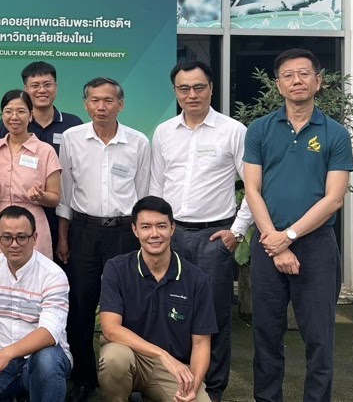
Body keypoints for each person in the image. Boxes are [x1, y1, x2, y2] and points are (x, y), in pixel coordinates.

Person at [243, 49, 353, 402]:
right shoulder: (259, 130)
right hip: (268, 243)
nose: (297, 81)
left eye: (304, 74)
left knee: (319, 337)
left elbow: (334, 198)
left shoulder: (336, 134)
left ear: (318, 81)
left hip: (316, 247)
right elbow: (252, 190)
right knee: (266, 334)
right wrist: (275, 241)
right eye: (288, 75)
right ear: (278, 85)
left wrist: (288, 237)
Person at [150, 60, 251, 401]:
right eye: (184, 88)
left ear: (210, 88)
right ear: (175, 91)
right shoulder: (164, 132)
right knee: (168, 310)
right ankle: (170, 383)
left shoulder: (233, 130)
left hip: (214, 238)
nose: (191, 94)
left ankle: (214, 388)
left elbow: (253, 186)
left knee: (214, 316)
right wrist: (157, 231)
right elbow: (156, 185)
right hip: (172, 236)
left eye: (198, 87)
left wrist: (237, 231)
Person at [57, 77, 151, 402]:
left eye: (108, 100)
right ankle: (83, 377)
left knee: (128, 306)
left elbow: (144, 194)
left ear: (120, 105)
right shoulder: (72, 139)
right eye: (95, 100)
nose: (101, 107)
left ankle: (127, 376)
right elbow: (65, 194)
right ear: (86, 104)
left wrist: (143, 238)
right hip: (83, 231)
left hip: (124, 233)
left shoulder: (138, 142)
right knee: (80, 306)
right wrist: (63, 238)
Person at [97, 196, 216, 402]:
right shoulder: (117, 268)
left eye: (161, 226)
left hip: (173, 369)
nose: (154, 234)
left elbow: (201, 344)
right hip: (130, 356)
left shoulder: (196, 279)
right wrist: (162, 354)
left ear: (172, 228)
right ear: (135, 230)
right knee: (113, 358)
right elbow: (110, 329)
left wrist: (193, 386)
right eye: (146, 227)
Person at [0, 205, 71, 402]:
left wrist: (8, 353)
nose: (14, 244)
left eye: (22, 237)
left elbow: (49, 333)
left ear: (35, 238)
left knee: (47, 361)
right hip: (0, 358)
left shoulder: (53, 275)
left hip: (42, 357)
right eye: (7, 237)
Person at [0, 61, 82, 254]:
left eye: (47, 84)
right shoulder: (8, 127)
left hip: (59, 215)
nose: (42, 90)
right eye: (35, 85)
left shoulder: (73, 124)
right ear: (26, 89)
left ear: (56, 86)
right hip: (10, 218)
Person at [0, 89, 62, 259]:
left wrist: (41, 196)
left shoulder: (45, 151)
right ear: (2, 115)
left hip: (31, 224)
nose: (14, 117)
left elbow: (55, 198)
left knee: (33, 271)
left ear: (31, 115)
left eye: (21, 111)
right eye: (8, 111)